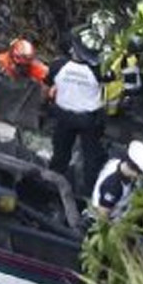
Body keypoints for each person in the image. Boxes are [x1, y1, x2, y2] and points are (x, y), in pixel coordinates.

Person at [44, 36, 107, 183]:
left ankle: (51, 184)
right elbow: (110, 92)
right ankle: (89, 189)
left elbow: (45, 88)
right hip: (89, 119)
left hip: (64, 115)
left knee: (60, 154)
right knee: (91, 157)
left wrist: (45, 104)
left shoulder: (58, 65)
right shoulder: (98, 70)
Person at [90, 140, 143, 220]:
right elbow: (102, 215)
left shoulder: (118, 163)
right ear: (135, 172)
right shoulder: (113, 186)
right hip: (111, 219)